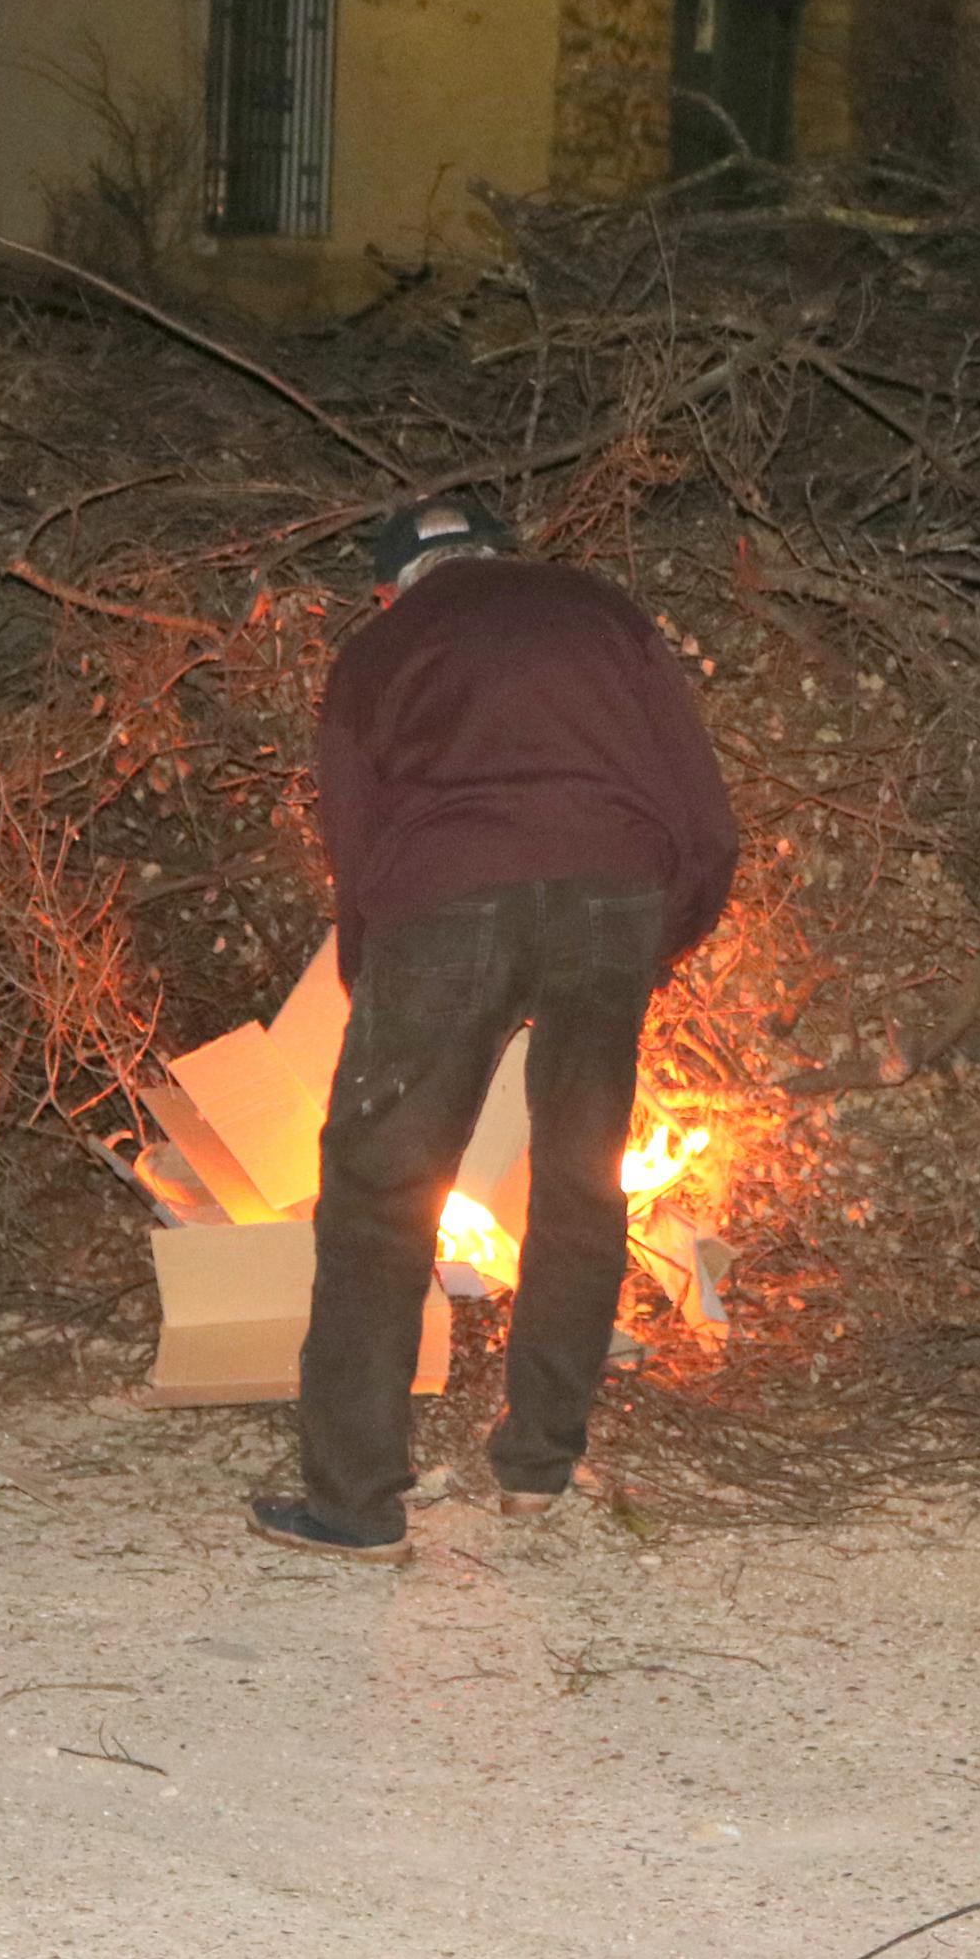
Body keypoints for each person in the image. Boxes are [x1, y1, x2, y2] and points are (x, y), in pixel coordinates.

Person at [249, 497, 740, 1563]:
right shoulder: (600, 611)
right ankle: (538, 1467)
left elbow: (355, 832)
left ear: (392, 585)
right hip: (613, 896)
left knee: (380, 1193)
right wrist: (659, 931)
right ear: (499, 556)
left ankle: (356, 1502)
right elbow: (699, 805)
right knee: (580, 1176)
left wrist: (371, 974)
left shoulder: (382, 647)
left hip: (447, 898)